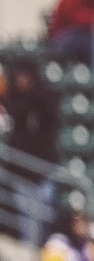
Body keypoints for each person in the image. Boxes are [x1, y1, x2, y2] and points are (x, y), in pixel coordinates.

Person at [0, 57, 60, 246]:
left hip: (44, 170)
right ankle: (30, 253)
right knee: (28, 217)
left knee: (45, 215)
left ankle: (42, 251)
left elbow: (53, 114)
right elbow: (14, 112)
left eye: (24, 76)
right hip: (21, 172)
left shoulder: (44, 96)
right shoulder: (14, 101)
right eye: (18, 77)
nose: (21, 81)